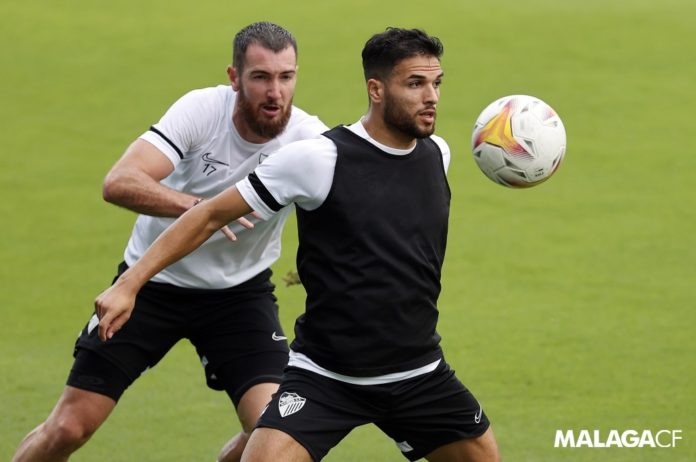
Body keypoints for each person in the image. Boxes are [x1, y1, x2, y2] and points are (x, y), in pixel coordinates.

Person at [94, 27, 501, 462]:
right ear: (376, 89)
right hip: (326, 377)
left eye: (436, 83)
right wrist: (129, 283)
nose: (431, 97)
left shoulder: (437, 154)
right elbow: (209, 214)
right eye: (415, 84)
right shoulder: (318, 158)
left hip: (419, 373)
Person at [12, 21, 329, 462]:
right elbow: (120, 180)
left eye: (285, 77)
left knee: (272, 433)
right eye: (260, 77)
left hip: (239, 298)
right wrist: (200, 212)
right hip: (151, 285)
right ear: (234, 77)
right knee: (69, 426)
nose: (275, 92)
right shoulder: (201, 111)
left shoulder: (309, 141)